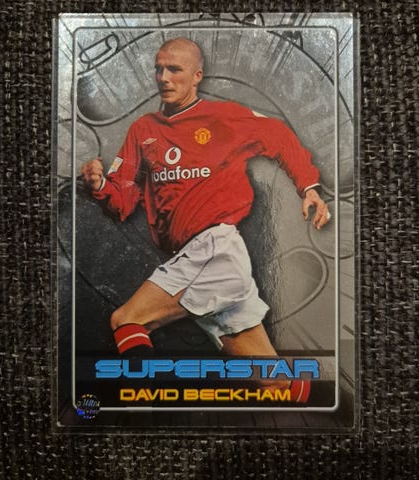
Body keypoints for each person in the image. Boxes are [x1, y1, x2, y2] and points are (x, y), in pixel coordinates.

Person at [81, 38, 330, 402]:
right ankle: (331, 403)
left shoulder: (224, 117)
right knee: (272, 381)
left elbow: (278, 136)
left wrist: (308, 186)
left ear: (197, 76)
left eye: (174, 69)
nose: (164, 77)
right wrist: (101, 185)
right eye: (159, 69)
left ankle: (146, 410)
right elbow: (123, 200)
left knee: (126, 320)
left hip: (213, 247)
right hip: (194, 257)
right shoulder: (143, 130)